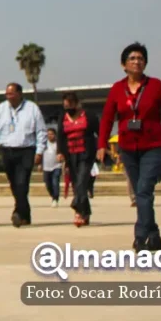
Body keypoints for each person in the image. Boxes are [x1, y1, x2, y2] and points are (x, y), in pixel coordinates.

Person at [98, 42, 161, 251]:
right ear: (123, 65)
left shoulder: (156, 86)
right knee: (139, 192)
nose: (137, 62)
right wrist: (101, 144)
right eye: (132, 58)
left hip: (152, 145)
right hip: (128, 147)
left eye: (141, 58)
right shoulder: (117, 89)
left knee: (144, 191)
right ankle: (154, 235)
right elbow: (108, 119)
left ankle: (141, 236)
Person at [0, 82, 47, 228]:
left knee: (22, 182)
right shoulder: (1, 109)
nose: (9, 96)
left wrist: (39, 151)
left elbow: (41, 131)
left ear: (19, 93)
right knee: (14, 184)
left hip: (26, 150)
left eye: (11, 93)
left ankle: (18, 213)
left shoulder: (32, 108)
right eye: (7, 94)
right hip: (7, 151)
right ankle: (25, 215)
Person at [56, 91, 98, 227]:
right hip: (70, 155)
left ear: (77, 103)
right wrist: (60, 152)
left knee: (81, 182)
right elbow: (60, 137)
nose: (68, 108)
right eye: (65, 106)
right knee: (76, 184)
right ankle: (86, 213)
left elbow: (99, 131)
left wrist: (103, 148)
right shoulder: (63, 117)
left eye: (70, 105)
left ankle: (78, 210)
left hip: (86, 154)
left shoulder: (89, 116)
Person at [42, 128, 62, 207]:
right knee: (48, 184)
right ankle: (53, 195)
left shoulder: (58, 144)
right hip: (46, 167)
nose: (50, 136)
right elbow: (40, 153)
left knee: (55, 182)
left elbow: (63, 155)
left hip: (56, 166)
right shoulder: (44, 144)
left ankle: (55, 199)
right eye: (48, 134)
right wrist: (40, 164)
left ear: (55, 135)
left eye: (52, 134)